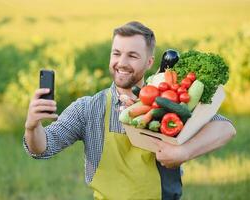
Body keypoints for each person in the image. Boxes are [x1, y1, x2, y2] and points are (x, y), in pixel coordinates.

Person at [23, 21, 236, 200]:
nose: (121, 63)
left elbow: (225, 128)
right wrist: (32, 126)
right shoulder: (89, 108)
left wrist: (183, 152)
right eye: (117, 53)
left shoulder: (170, 102)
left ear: (149, 62)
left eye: (133, 56)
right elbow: (43, 148)